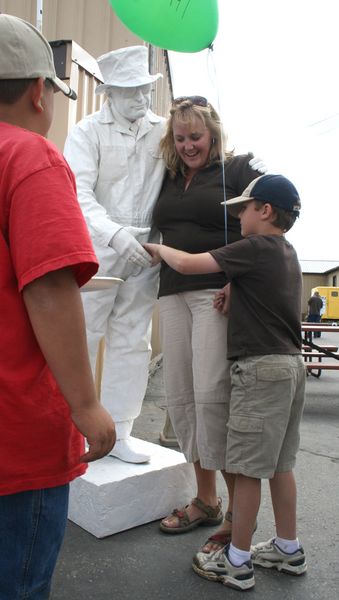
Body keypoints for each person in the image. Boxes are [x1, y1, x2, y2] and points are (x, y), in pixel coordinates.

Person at [0, 14, 116, 599]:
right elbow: (48, 288)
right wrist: (88, 404)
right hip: (14, 433)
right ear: (38, 91)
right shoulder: (30, 158)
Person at [145, 173, 306, 591]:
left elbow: (189, 264)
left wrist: (160, 247)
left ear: (265, 211)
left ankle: (236, 561)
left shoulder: (252, 247)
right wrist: (235, 284)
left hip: (257, 371)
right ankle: (288, 549)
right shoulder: (285, 253)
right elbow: (259, 285)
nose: (238, 218)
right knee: (280, 466)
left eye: (243, 210)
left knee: (245, 469)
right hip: (291, 368)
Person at [150, 96, 267, 546]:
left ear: (213, 133)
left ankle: (240, 513)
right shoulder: (170, 174)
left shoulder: (237, 170)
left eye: (195, 136)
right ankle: (205, 500)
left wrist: (241, 277)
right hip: (171, 293)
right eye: (179, 138)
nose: (187, 146)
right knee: (181, 399)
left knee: (213, 399)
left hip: (215, 295)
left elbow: (274, 215)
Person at [64, 46, 166, 464]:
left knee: (133, 339)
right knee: (83, 336)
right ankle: (76, 432)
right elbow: (77, 193)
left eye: (144, 89)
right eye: (130, 92)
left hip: (148, 251)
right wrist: (115, 234)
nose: (141, 99)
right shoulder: (87, 132)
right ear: (109, 93)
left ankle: (121, 429)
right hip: (98, 248)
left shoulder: (163, 130)